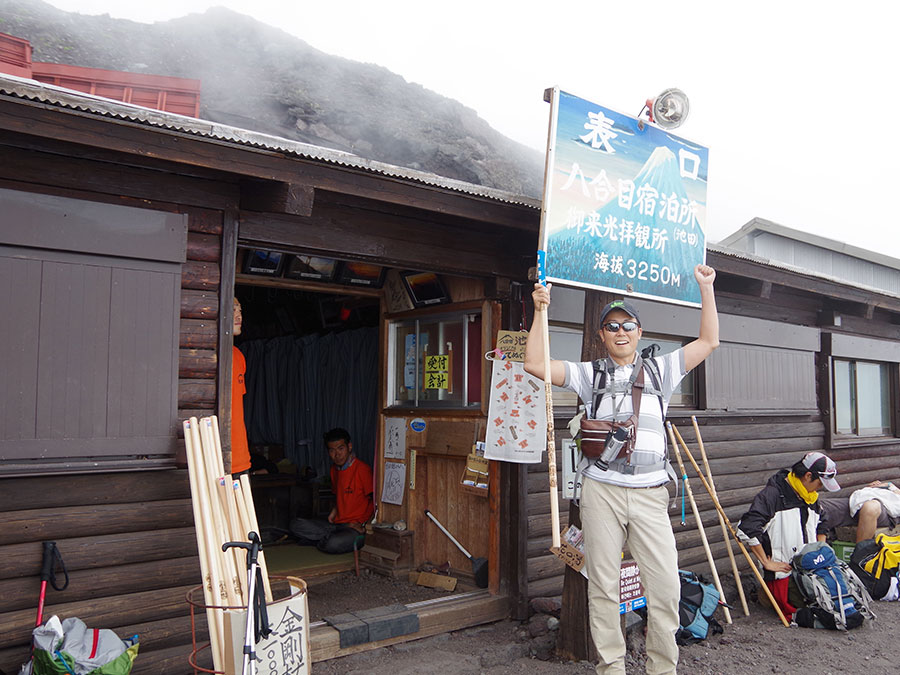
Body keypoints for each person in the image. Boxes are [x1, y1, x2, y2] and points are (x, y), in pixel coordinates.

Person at [524, 264, 719, 675]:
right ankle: (611, 669)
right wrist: (539, 310)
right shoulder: (588, 373)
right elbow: (536, 366)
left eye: (627, 324)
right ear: (602, 336)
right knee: (603, 590)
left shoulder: (661, 371)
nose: (620, 331)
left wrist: (706, 288)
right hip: (601, 493)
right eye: (611, 326)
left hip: (651, 495)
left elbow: (708, 340)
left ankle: (661, 669)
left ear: (639, 332)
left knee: (665, 589)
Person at [736, 451, 840, 618]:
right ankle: (767, 596)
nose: (821, 489)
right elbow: (746, 529)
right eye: (820, 483)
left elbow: (822, 523)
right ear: (807, 476)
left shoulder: (810, 496)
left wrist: (820, 551)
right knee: (815, 609)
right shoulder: (772, 495)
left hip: (811, 570)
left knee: (838, 598)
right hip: (784, 574)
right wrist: (766, 562)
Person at [289, 428, 375, 554]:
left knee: (333, 544)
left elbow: (375, 501)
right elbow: (339, 495)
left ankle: (320, 541)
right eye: (332, 450)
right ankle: (324, 540)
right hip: (336, 525)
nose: (337, 454)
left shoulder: (362, 469)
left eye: (341, 448)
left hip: (355, 528)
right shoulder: (334, 470)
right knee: (295, 524)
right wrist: (334, 511)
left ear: (349, 447)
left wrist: (362, 524)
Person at [231, 297, 252, 477]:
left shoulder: (238, 356)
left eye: (240, 311)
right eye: (232, 310)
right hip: (216, 455)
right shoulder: (208, 357)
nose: (239, 316)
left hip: (241, 456)